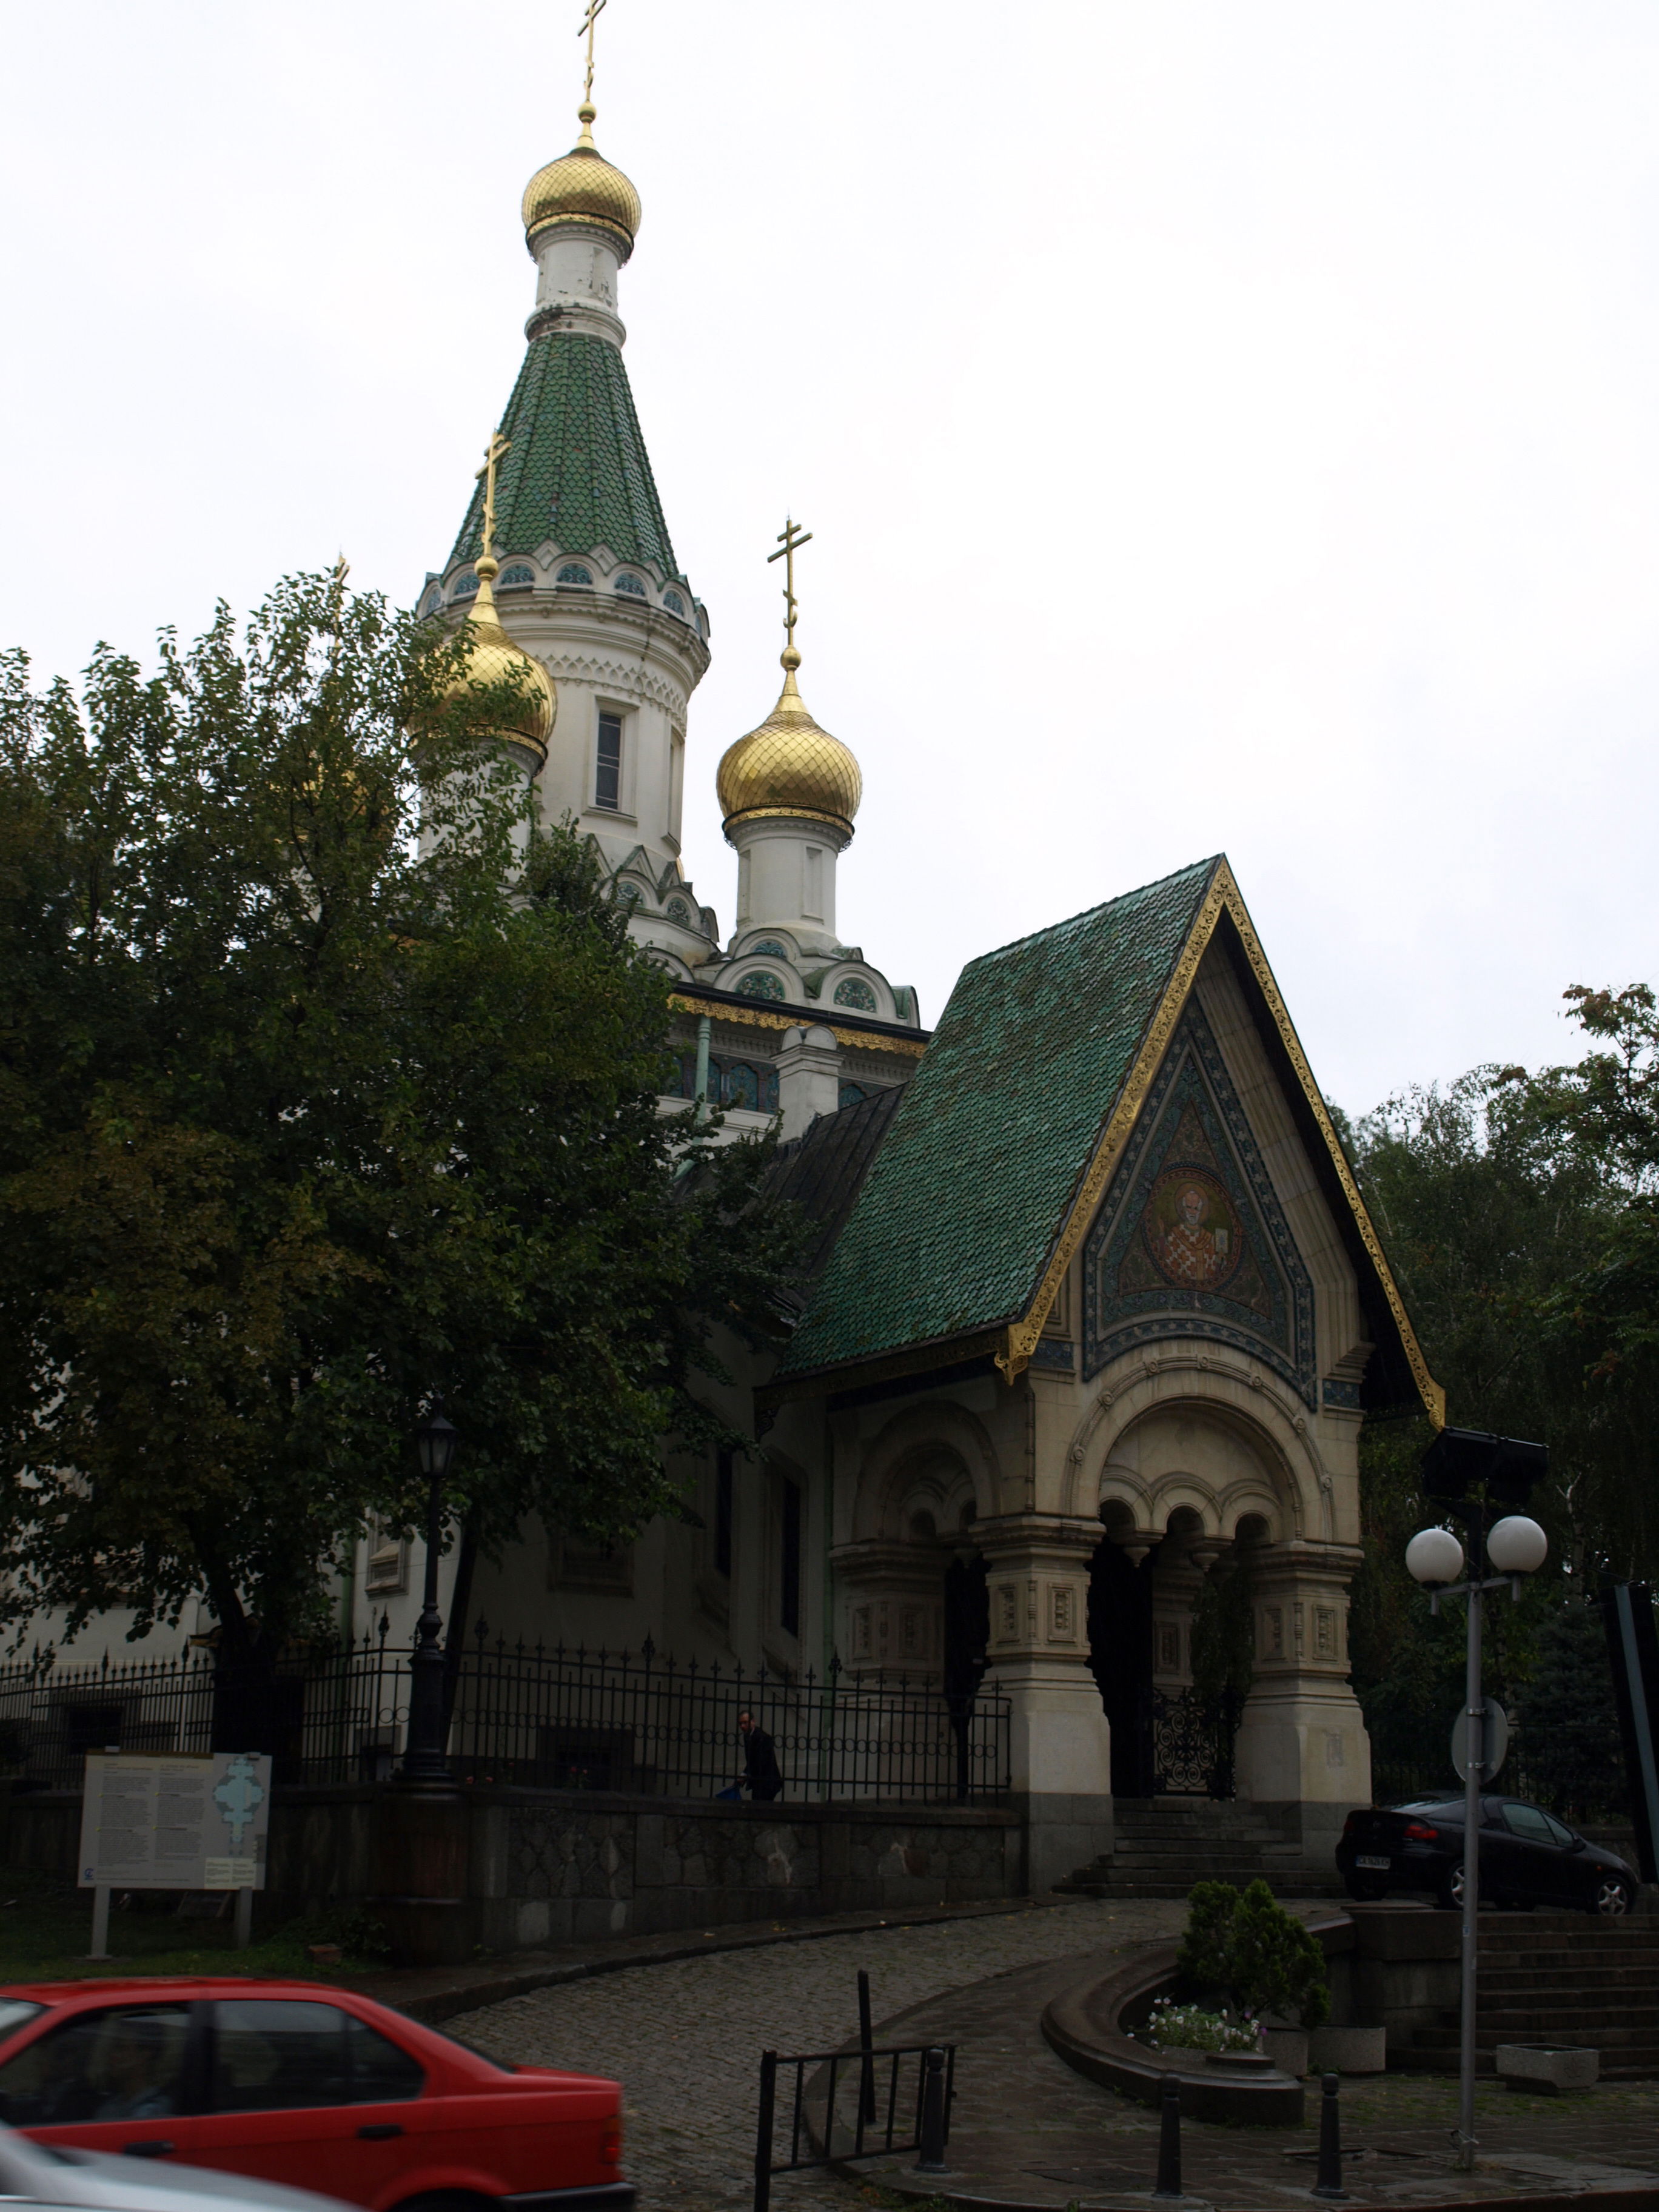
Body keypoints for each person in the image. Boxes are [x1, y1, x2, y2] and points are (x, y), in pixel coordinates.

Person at [738, 1708, 782, 1802]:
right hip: (759, 1781)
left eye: (745, 1723)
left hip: (767, 1781)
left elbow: (759, 1761)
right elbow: (753, 1760)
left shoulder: (762, 1737)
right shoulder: (747, 1736)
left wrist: (745, 1774)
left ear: (753, 1722)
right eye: (741, 1723)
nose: (742, 1726)